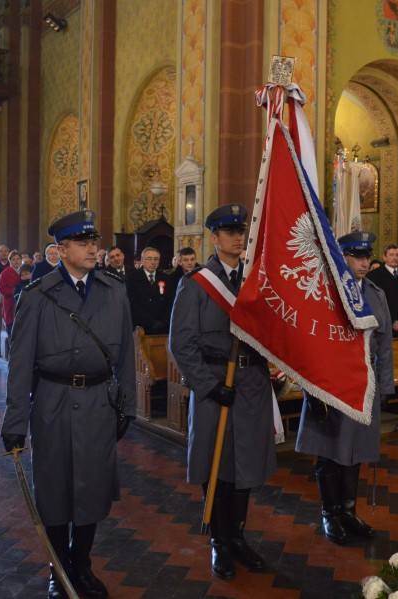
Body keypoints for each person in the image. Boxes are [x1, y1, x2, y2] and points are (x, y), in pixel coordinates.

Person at [1, 210, 135, 599]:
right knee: (55, 488)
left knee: (92, 487)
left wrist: (127, 405)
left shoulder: (114, 290)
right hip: (53, 401)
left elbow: (126, 354)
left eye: (94, 242)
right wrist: (15, 422)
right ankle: (58, 569)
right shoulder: (37, 295)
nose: (92, 249)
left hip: (98, 402)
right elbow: (19, 365)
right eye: (82, 243)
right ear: (61, 251)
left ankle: (81, 565)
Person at [169, 204, 276, 580]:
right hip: (216, 383)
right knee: (216, 464)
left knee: (244, 463)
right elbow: (181, 344)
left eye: (240, 231)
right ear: (214, 238)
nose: (237, 237)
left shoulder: (254, 280)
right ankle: (219, 540)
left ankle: (238, 538)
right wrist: (210, 386)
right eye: (229, 232)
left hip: (251, 385)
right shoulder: (197, 283)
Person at [296, 231, 394, 546]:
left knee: (356, 451)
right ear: (342, 257)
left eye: (368, 257)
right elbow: (307, 344)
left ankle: (348, 511)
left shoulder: (376, 293)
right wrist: (311, 390)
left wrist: (385, 386)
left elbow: (385, 343)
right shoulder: (326, 291)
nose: (365, 263)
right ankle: (330, 514)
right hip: (332, 382)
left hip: (365, 383)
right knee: (331, 451)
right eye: (357, 256)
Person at [126, 247, 171, 334]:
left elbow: (170, 302)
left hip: (162, 327)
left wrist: (163, 321)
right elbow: (133, 305)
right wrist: (151, 322)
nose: (153, 262)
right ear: (142, 260)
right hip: (141, 327)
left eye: (156, 259)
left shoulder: (166, 278)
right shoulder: (132, 278)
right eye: (149, 259)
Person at [0, 250, 24, 349]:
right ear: (10, 261)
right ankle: (12, 347)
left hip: (23, 301)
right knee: (11, 324)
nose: (16, 261)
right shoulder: (6, 272)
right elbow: (1, 288)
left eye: (18, 259)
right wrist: (14, 291)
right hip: (10, 302)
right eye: (13, 259)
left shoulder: (25, 270)